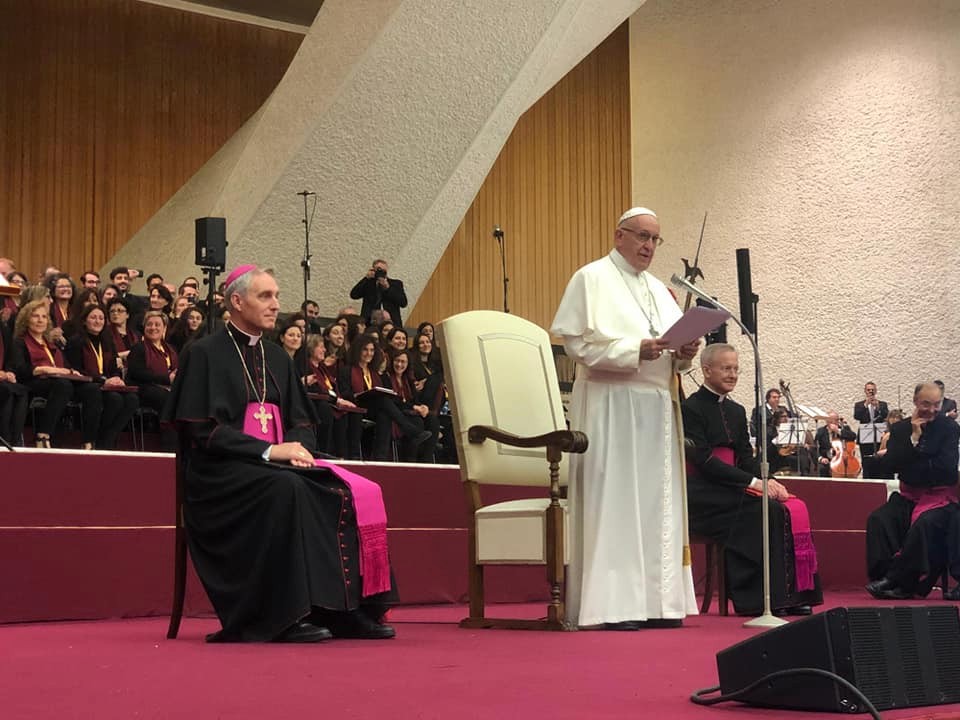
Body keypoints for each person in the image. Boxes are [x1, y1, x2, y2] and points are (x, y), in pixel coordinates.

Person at [163, 264, 396, 642]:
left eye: (276, 296)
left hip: (276, 466)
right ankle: (282, 615)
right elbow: (203, 431)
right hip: (220, 475)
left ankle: (345, 610)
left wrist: (298, 447)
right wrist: (270, 451)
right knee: (289, 490)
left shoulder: (278, 357)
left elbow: (301, 419)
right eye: (265, 296)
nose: (276, 305)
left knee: (347, 490)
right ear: (236, 302)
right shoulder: (203, 354)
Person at [551, 206, 701, 629]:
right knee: (615, 499)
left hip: (655, 409)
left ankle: (657, 602)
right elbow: (578, 345)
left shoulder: (658, 289)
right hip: (610, 403)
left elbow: (674, 351)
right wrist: (636, 350)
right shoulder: (591, 278)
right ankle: (613, 606)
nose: (649, 246)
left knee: (654, 502)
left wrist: (683, 354)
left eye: (655, 239)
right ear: (619, 236)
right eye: (641, 236)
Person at [682, 343, 823, 616]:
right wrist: (754, 483)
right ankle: (755, 598)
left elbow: (745, 457)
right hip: (702, 492)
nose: (733, 374)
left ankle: (789, 595)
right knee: (763, 511)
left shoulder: (736, 411)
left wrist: (768, 478)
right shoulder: (691, 408)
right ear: (706, 370)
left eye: (736, 369)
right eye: (726, 368)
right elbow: (704, 461)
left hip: (732, 486)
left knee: (784, 508)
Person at [863, 383, 960, 600]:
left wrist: (913, 460)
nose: (933, 410)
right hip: (909, 495)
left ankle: (897, 580)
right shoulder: (900, 430)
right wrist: (914, 439)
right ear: (916, 402)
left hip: (940, 498)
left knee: (924, 523)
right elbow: (890, 466)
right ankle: (884, 576)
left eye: (937, 404)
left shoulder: (950, 429)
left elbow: (946, 468)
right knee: (879, 519)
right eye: (927, 404)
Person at [10, 299, 94, 448]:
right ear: (26, 319)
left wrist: (73, 371)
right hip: (34, 382)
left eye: (43, 317)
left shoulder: (52, 343)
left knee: (91, 390)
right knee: (63, 385)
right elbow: (20, 369)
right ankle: (43, 434)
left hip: (59, 381)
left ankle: (88, 441)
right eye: (35, 316)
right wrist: (46, 369)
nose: (40, 320)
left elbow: (66, 365)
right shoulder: (20, 342)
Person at [339, 334, 431, 461]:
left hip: (374, 409)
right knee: (383, 402)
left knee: (384, 412)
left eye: (371, 350)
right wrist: (358, 395)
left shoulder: (374, 373)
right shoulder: (347, 370)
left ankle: (380, 458)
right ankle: (410, 430)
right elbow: (344, 393)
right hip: (357, 406)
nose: (369, 353)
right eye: (365, 349)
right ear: (358, 350)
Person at [64, 304, 139, 449]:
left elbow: (115, 365)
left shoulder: (107, 341)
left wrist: (117, 377)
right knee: (114, 399)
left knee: (132, 399)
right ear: (84, 321)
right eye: (93, 317)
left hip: (106, 385)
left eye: (101, 318)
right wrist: (104, 380)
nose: (98, 321)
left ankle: (107, 438)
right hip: (85, 385)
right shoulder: (76, 341)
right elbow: (76, 369)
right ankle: (92, 439)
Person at [126, 311, 178, 414]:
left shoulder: (171, 349)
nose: (153, 328)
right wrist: (166, 379)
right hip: (145, 387)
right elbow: (137, 373)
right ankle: (167, 428)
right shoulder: (139, 347)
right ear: (144, 327)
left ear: (164, 328)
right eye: (149, 324)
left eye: (157, 325)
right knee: (166, 397)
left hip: (168, 386)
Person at [349, 259, 408, 327]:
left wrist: (388, 288)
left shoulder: (396, 284)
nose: (381, 272)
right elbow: (354, 295)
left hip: (391, 322)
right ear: (373, 270)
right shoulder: (368, 283)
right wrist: (366, 278)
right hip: (369, 322)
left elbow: (403, 303)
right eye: (379, 270)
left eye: (383, 270)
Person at [0, 317, 28, 445]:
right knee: (6, 390)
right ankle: (4, 440)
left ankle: (15, 441)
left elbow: (8, 358)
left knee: (20, 390)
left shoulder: (3, 328)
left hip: (3, 378)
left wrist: (9, 371)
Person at [814, 411, 858, 477]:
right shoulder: (821, 431)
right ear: (827, 421)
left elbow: (853, 436)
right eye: (832, 421)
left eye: (837, 420)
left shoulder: (844, 428)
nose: (835, 422)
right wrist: (821, 458)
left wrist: (838, 431)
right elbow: (815, 448)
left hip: (842, 458)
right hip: (827, 459)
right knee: (822, 469)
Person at [854, 381, 889, 457]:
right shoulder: (859, 405)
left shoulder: (883, 404)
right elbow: (857, 416)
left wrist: (878, 407)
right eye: (868, 390)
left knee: (880, 458)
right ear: (865, 391)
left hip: (880, 435)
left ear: (876, 391)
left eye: (873, 390)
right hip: (865, 435)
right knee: (866, 458)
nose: (871, 391)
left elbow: (886, 416)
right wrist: (866, 405)